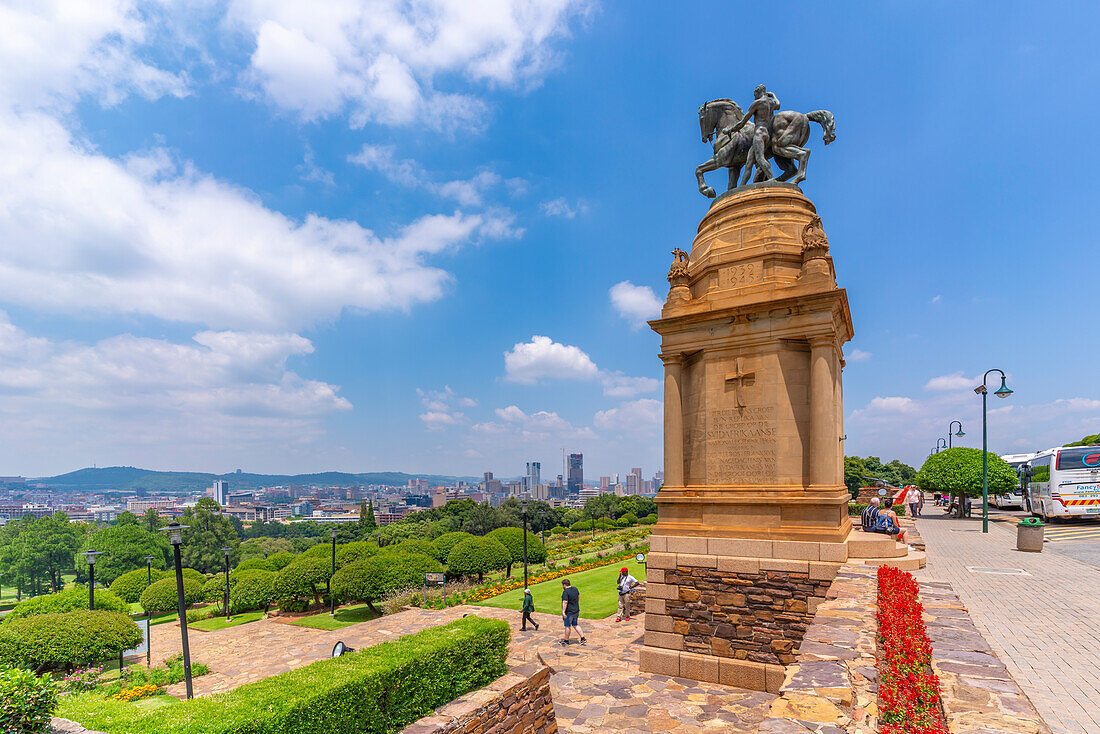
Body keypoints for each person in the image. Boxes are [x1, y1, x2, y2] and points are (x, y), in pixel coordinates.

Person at [560, 578, 585, 646]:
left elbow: (565, 602)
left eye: (562, 585)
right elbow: (578, 596)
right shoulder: (575, 589)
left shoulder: (565, 592)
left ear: (564, 585)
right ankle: (582, 638)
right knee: (575, 624)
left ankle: (566, 640)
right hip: (576, 610)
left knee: (567, 626)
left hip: (569, 612)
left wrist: (563, 611)